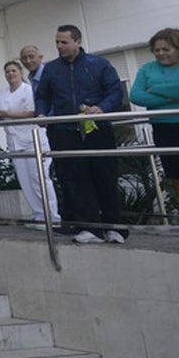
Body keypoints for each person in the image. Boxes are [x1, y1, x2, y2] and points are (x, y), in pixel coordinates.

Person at [35, 24, 125, 244]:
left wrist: (102, 108)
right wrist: (41, 113)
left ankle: (114, 228)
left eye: (64, 42)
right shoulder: (51, 69)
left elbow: (115, 91)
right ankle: (90, 228)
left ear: (78, 42)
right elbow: (42, 95)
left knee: (105, 177)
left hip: (97, 129)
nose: (59, 46)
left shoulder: (99, 64)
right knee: (75, 180)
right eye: (57, 42)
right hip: (64, 131)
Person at [130, 27, 179, 252]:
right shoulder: (147, 69)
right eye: (157, 50)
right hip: (165, 129)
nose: (161, 54)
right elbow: (136, 95)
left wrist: (156, 91)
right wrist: (174, 97)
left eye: (166, 49)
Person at [0, 61, 60, 228]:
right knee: (25, 181)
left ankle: (52, 216)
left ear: (20, 72)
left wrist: (7, 114)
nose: (10, 74)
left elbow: (33, 112)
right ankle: (39, 215)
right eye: (7, 71)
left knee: (39, 179)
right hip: (15, 142)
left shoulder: (28, 90)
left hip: (33, 140)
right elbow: (1, 114)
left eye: (13, 71)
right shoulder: (2, 93)